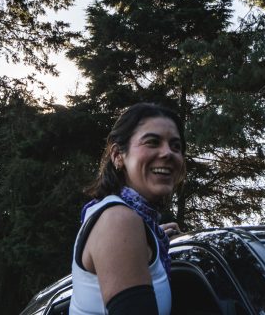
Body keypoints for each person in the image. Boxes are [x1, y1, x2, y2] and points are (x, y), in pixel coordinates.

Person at [69, 103, 186, 315]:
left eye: (176, 146)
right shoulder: (118, 220)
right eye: (152, 142)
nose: (168, 153)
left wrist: (153, 237)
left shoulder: (126, 220)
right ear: (117, 155)